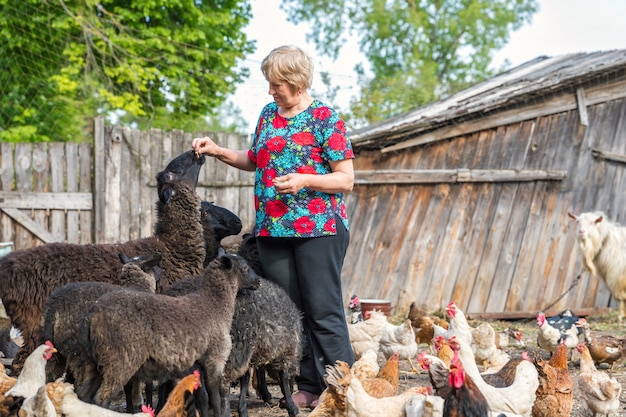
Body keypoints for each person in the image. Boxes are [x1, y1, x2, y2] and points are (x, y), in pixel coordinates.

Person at [191, 44, 355, 410]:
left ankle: (343, 387)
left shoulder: (326, 119)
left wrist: (304, 180)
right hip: (273, 230)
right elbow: (254, 160)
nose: (271, 90)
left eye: (277, 83)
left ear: (297, 82)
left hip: (319, 229)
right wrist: (218, 150)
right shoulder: (268, 115)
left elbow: (345, 180)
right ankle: (310, 385)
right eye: (269, 83)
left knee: (323, 311)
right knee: (292, 311)